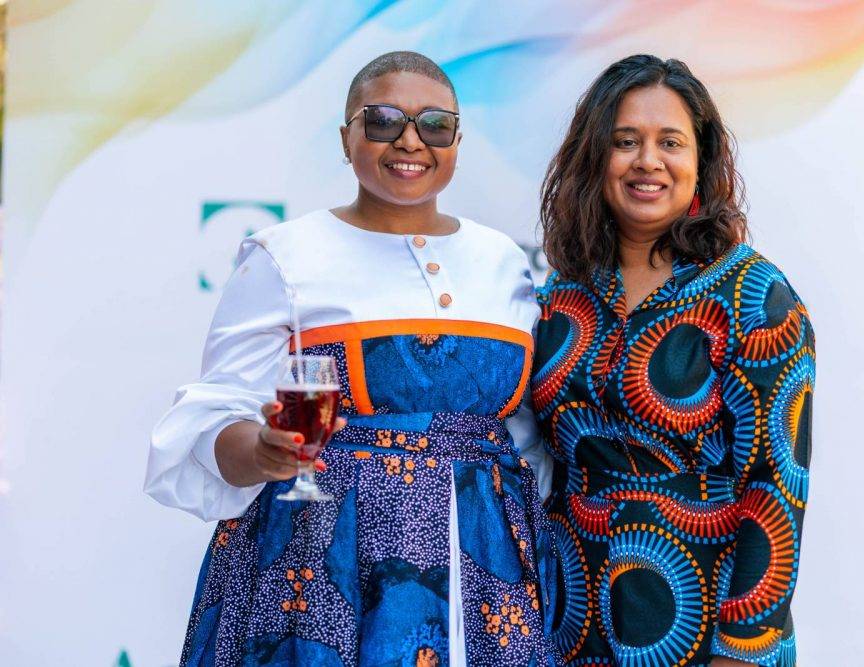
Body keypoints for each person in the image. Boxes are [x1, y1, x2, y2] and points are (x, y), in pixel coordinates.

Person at [145, 51, 558, 667]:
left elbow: (523, 430)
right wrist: (263, 450)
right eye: (383, 120)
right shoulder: (286, 254)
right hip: (322, 561)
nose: (410, 141)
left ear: (456, 140)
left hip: (487, 563)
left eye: (434, 124)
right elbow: (216, 412)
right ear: (347, 138)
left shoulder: (503, 262)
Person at [532, 55, 815, 667]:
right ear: (594, 157)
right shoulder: (563, 290)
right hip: (570, 622)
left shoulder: (752, 296)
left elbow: (776, 487)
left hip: (701, 624)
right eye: (625, 141)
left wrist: (743, 650)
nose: (647, 161)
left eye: (670, 142)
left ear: (700, 160)